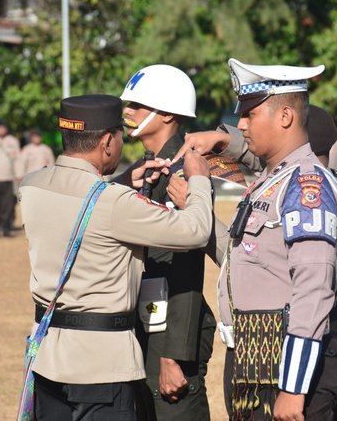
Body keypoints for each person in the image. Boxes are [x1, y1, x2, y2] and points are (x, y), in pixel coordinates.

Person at [19, 94, 214, 420]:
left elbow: (79, 201)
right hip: (101, 367)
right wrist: (198, 179)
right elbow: (194, 231)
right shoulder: (116, 203)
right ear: (108, 142)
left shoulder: (32, 186)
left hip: (48, 358)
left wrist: (122, 180)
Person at [178, 58, 337, 420]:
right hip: (255, 360)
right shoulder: (273, 180)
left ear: (285, 117)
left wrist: (293, 389)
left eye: (250, 114)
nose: (241, 124)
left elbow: (314, 289)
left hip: (283, 369)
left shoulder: (304, 185)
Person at [119, 64, 216, 421]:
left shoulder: (184, 172)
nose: (127, 112)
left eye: (137, 106)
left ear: (167, 114)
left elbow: (187, 269)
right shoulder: (142, 169)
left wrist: (173, 354)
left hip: (170, 332)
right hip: (140, 324)